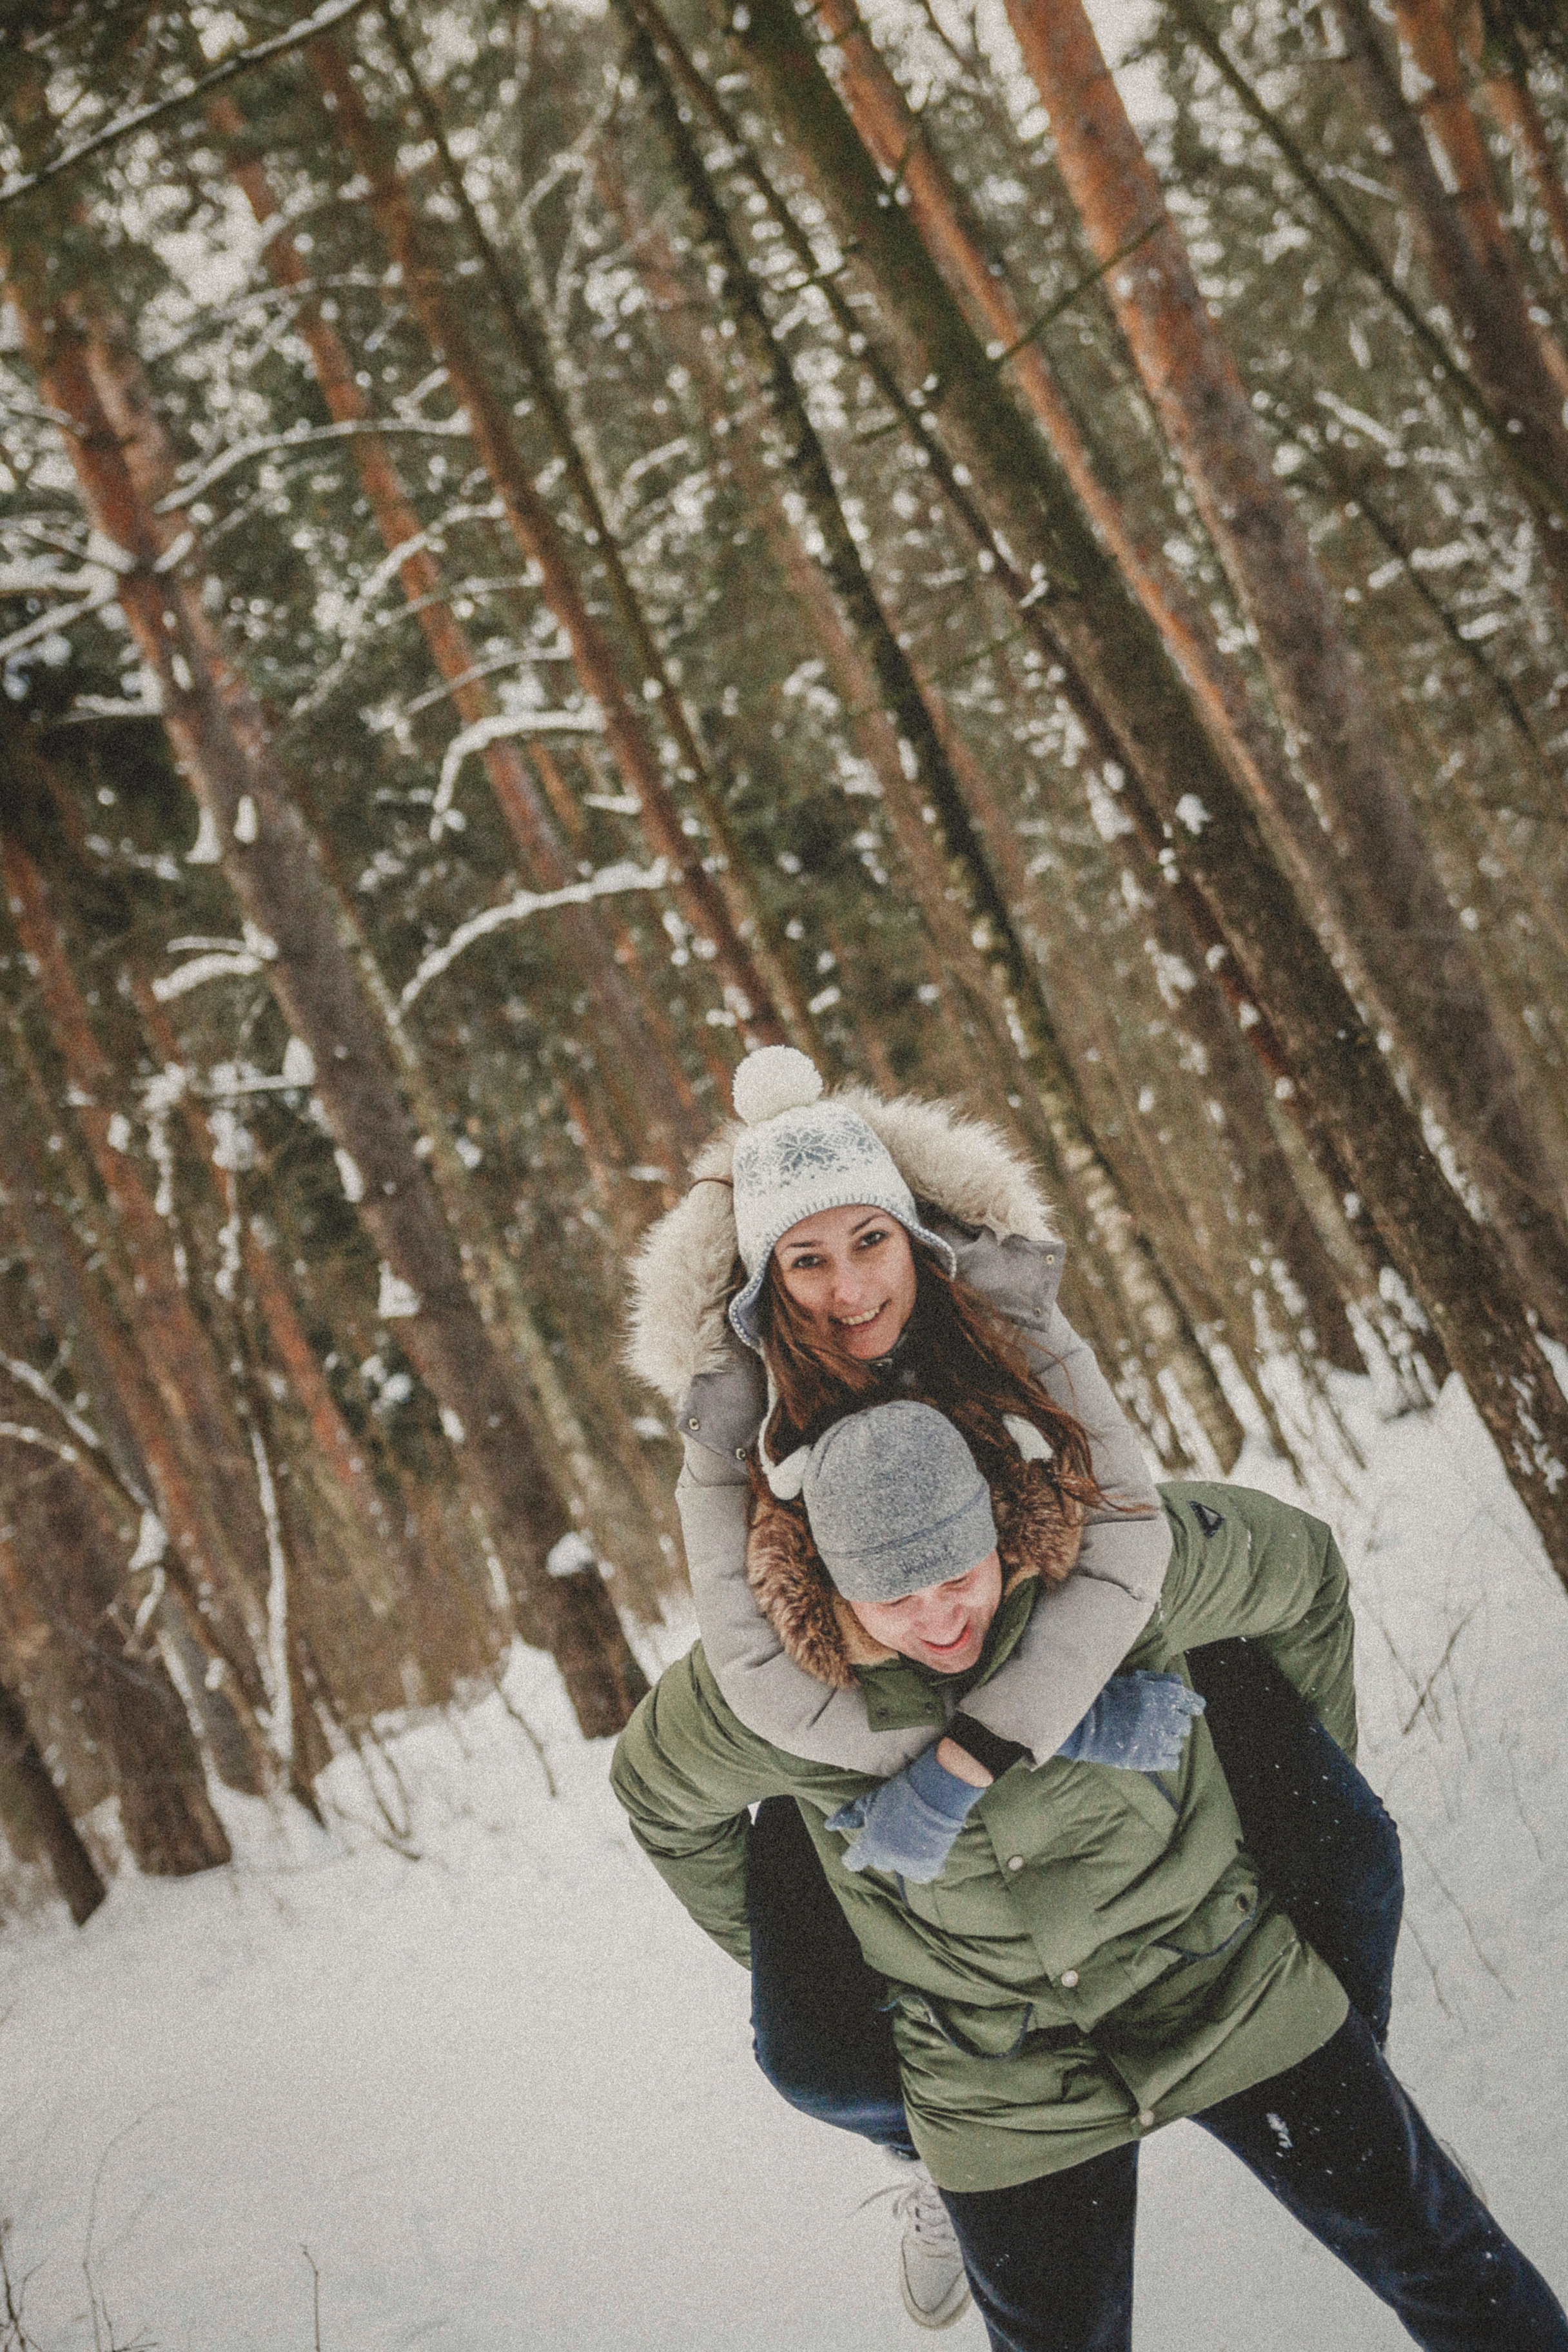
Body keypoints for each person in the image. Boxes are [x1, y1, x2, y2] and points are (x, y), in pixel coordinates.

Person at [625, 1046, 1404, 2324]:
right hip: (856, 1696)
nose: (840, 1289)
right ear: (765, 1289)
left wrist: (1056, 1731)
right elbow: (758, 1671)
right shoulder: (736, 1407)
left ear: (916, 1235)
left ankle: (1331, 2071)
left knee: (1348, 1844)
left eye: (865, 1242)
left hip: (1070, 1613)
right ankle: (926, 2146)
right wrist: (913, 1807)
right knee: (811, 2052)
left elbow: (1134, 1533)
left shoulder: (998, 1309)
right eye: (802, 1264)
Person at [611, 1400, 1568, 2352]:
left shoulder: (1118, 1574)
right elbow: (656, 1795)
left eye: (957, 1573)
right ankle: (924, 2168)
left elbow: (1304, 1569)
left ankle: (1382, 2107)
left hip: (1225, 1982)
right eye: (894, 1599)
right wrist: (810, 1950)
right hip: (996, 2082)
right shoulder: (765, 1690)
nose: (940, 1617)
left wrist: (1298, 1792)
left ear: (995, 1524)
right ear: (833, 1588)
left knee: (1449, 2260)